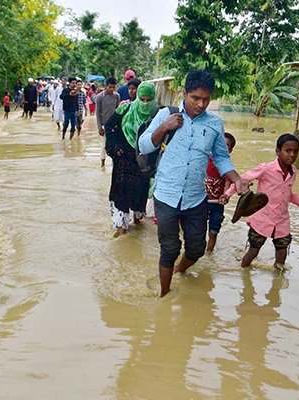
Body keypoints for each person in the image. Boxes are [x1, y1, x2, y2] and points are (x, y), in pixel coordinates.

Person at [138, 69, 249, 297]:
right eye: (195, 98)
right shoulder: (166, 115)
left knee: (197, 249)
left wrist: (237, 179)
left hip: (196, 197)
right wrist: (164, 127)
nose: (201, 104)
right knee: (169, 248)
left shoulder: (215, 124)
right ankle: (164, 296)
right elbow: (144, 146)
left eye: (206, 99)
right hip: (166, 195)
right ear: (185, 93)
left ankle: (180, 270)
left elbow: (220, 157)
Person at [224, 134, 299, 270]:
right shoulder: (266, 169)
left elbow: (288, 193)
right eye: (288, 151)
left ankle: (277, 283)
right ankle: (242, 273)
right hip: (262, 219)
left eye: (295, 151)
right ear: (278, 151)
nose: (292, 155)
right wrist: (227, 195)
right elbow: (242, 180)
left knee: (282, 253)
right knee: (254, 251)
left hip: (282, 221)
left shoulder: (293, 172)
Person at [105, 82, 157, 237]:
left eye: (149, 100)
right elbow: (109, 126)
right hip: (123, 160)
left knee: (140, 194)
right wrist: (115, 148)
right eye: (142, 100)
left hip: (143, 162)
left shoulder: (157, 115)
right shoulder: (125, 109)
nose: (145, 104)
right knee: (121, 194)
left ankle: (137, 219)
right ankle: (120, 228)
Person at [205, 132, 236, 252]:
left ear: (230, 150)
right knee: (198, 229)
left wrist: (225, 195)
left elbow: (228, 183)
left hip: (217, 204)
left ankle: (209, 253)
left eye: (226, 145)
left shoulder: (227, 166)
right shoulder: (204, 160)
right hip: (201, 201)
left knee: (213, 231)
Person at [95, 77, 120, 168]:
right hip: (104, 124)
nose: (112, 89)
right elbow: (97, 113)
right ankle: (102, 163)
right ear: (106, 86)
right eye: (110, 87)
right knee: (104, 144)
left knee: (115, 143)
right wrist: (99, 127)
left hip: (114, 124)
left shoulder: (117, 96)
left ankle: (115, 163)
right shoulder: (100, 97)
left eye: (113, 87)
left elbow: (118, 110)